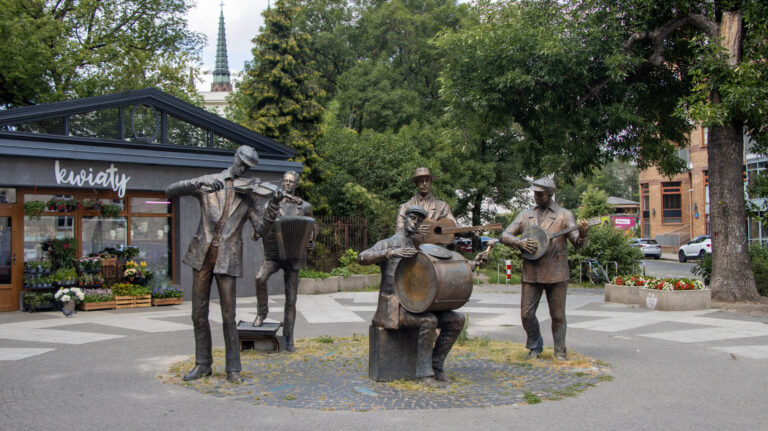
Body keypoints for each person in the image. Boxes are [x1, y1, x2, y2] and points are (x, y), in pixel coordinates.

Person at [166, 146, 281, 383]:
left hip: (227, 259)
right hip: (202, 255)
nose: (244, 169)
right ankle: (203, 363)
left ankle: (233, 369)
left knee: (229, 316)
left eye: (248, 167)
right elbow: (170, 190)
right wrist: (198, 186)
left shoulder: (248, 196)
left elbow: (261, 229)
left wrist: (274, 205)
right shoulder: (209, 182)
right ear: (235, 159)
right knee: (198, 313)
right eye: (242, 164)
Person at [359, 205, 488, 383]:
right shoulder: (388, 243)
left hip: (416, 304)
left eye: (419, 222)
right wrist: (390, 253)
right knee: (429, 321)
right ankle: (424, 374)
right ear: (404, 219)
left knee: (456, 320)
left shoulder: (419, 248)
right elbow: (362, 257)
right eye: (413, 219)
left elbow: (439, 269)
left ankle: (436, 366)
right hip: (394, 308)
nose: (415, 223)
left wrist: (472, 264)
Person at [500, 178, 589, 360]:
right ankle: (535, 345)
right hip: (532, 272)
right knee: (526, 314)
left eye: (540, 194)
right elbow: (504, 234)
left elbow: (577, 244)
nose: (536, 197)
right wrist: (519, 242)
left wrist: (584, 233)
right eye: (534, 194)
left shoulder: (564, 215)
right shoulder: (526, 215)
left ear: (550, 194)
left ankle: (560, 352)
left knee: (557, 315)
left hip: (556, 272)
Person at [252, 171, 315, 352]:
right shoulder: (271, 204)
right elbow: (262, 225)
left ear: (296, 185)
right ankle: (262, 313)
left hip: (294, 256)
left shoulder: (304, 206)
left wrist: (311, 241)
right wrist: (256, 233)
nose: (287, 184)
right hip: (274, 254)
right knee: (260, 278)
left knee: (291, 300)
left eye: (291, 182)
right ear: (282, 183)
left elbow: (313, 225)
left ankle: (289, 339)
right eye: (285, 181)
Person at [395, 167, 457, 236]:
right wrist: (414, 230)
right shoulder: (405, 207)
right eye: (421, 181)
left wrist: (465, 232)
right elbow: (398, 231)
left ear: (431, 182)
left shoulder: (442, 206)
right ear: (416, 183)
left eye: (427, 180)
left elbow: (455, 226)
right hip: (411, 245)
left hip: (435, 245)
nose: (424, 183)